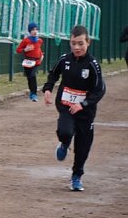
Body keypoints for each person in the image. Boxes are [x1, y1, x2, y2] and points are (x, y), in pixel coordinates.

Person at [42, 25, 106, 192]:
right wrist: (48, 89)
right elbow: (53, 74)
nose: (76, 47)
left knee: (83, 147)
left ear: (88, 42)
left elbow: (99, 90)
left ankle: (76, 176)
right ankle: (64, 144)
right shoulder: (65, 59)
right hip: (65, 105)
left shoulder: (93, 65)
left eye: (80, 44)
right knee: (65, 131)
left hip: (85, 111)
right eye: (73, 43)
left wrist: (83, 104)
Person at [16, 22, 44, 101]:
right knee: (29, 78)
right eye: (33, 30)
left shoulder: (39, 41)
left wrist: (41, 55)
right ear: (29, 31)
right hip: (27, 62)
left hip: (36, 62)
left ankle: (34, 94)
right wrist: (25, 49)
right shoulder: (26, 41)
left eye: (36, 29)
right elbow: (18, 50)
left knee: (32, 75)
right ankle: (32, 92)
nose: (35, 31)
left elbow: (38, 49)